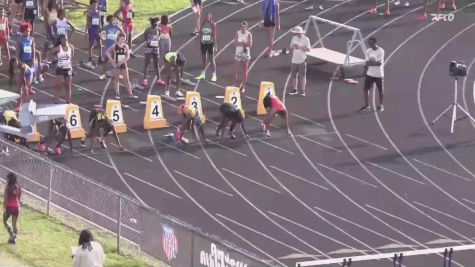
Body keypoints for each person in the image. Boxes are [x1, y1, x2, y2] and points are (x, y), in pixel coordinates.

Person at [105, 33, 138, 99]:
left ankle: (130, 94)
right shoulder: (114, 45)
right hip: (116, 65)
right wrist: (112, 61)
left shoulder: (126, 46)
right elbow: (106, 52)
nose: (123, 40)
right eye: (122, 39)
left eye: (124, 39)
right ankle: (117, 94)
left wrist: (122, 62)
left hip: (123, 64)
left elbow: (127, 56)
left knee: (127, 80)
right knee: (116, 80)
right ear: (119, 38)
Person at [359, 37, 385, 112]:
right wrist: (373, 64)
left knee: (380, 90)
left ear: (375, 43)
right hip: (370, 73)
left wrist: (371, 63)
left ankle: (381, 105)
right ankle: (367, 105)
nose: (370, 45)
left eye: (372, 43)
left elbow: (379, 64)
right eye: (369, 43)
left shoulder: (381, 51)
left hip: (379, 74)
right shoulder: (368, 51)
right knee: (365, 89)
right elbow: (367, 63)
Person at [48, 34, 73, 103]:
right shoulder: (58, 48)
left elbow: (72, 54)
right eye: (63, 39)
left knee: (68, 86)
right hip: (60, 69)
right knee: (58, 87)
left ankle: (68, 102)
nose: (65, 41)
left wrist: (69, 60)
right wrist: (54, 59)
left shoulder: (71, 47)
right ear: (61, 40)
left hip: (68, 69)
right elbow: (50, 53)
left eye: (66, 39)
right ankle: (56, 102)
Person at [98, 15, 124, 80]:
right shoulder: (106, 27)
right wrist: (102, 37)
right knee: (105, 61)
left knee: (116, 60)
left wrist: (121, 40)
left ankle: (117, 73)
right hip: (107, 46)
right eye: (111, 20)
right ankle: (104, 74)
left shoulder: (116, 26)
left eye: (113, 19)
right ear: (108, 20)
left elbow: (123, 33)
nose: (112, 21)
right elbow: (99, 31)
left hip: (115, 46)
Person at [142, 17, 165, 87]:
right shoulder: (148, 30)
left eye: (157, 23)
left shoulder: (159, 29)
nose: (157, 24)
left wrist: (158, 43)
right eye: (156, 23)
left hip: (156, 48)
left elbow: (159, 37)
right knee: (147, 63)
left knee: (156, 64)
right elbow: (145, 37)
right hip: (149, 48)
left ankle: (159, 79)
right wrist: (148, 41)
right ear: (153, 23)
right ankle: (145, 79)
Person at [288, 26, 310, 97]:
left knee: (302, 76)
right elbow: (291, 46)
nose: (297, 34)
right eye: (296, 33)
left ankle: (303, 91)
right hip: (294, 60)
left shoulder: (306, 39)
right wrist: (294, 46)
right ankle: (295, 89)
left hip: (302, 60)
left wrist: (300, 47)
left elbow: (308, 49)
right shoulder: (294, 38)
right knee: (294, 75)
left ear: (301, 32)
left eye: (298, 33)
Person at [196, 11, 217, 82]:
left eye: (208, 17)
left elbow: (214, 35)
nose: (206, 18)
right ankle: (202, 74)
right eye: (205, 17)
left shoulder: (213, 24)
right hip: (203, 43)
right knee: (203, 59)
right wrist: (201, 40)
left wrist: (215, 45)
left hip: (210, 43)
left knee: (211, 60)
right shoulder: (203, 24)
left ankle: (214, 75)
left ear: (210, 17)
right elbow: (200, 33)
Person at [232, 21, 252, 93]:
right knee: (235, 70)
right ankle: (233, 85)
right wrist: (243, 43)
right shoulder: (238, 33)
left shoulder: (249, 34)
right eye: (241, 26)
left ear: (246, 27)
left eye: (243, 27)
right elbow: (235, 43)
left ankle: (243, 86)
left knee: (244, 71)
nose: (242, 28)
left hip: (245, 53)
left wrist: (241, 44)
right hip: (238, 53)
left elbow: (250, 44)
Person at [3, 173, 21, 244]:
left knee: (5, 221)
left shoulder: (7, 187)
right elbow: (19, 197)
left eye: (7, 178)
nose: (7, 179)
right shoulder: (18, 187)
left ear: (10, 179)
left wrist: (4, 207)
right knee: (14, 224)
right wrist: (18, 205)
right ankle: (13, 239)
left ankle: (12, 235)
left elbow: (6, 198)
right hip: (16, 207)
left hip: (9, 207)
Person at [84, 0, 102, 69]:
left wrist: (101, 30)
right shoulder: (89, 13)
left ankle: (100, 58)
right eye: (94, 5)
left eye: (96, 5)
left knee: (100, 44)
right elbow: (87, 22)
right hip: (92, 30)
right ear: (91, 5)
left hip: (97, 30)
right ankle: (90, 58)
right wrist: (86, 32)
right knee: (91, 44)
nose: (95, 6)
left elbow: (100, 23)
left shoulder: (99, 12)